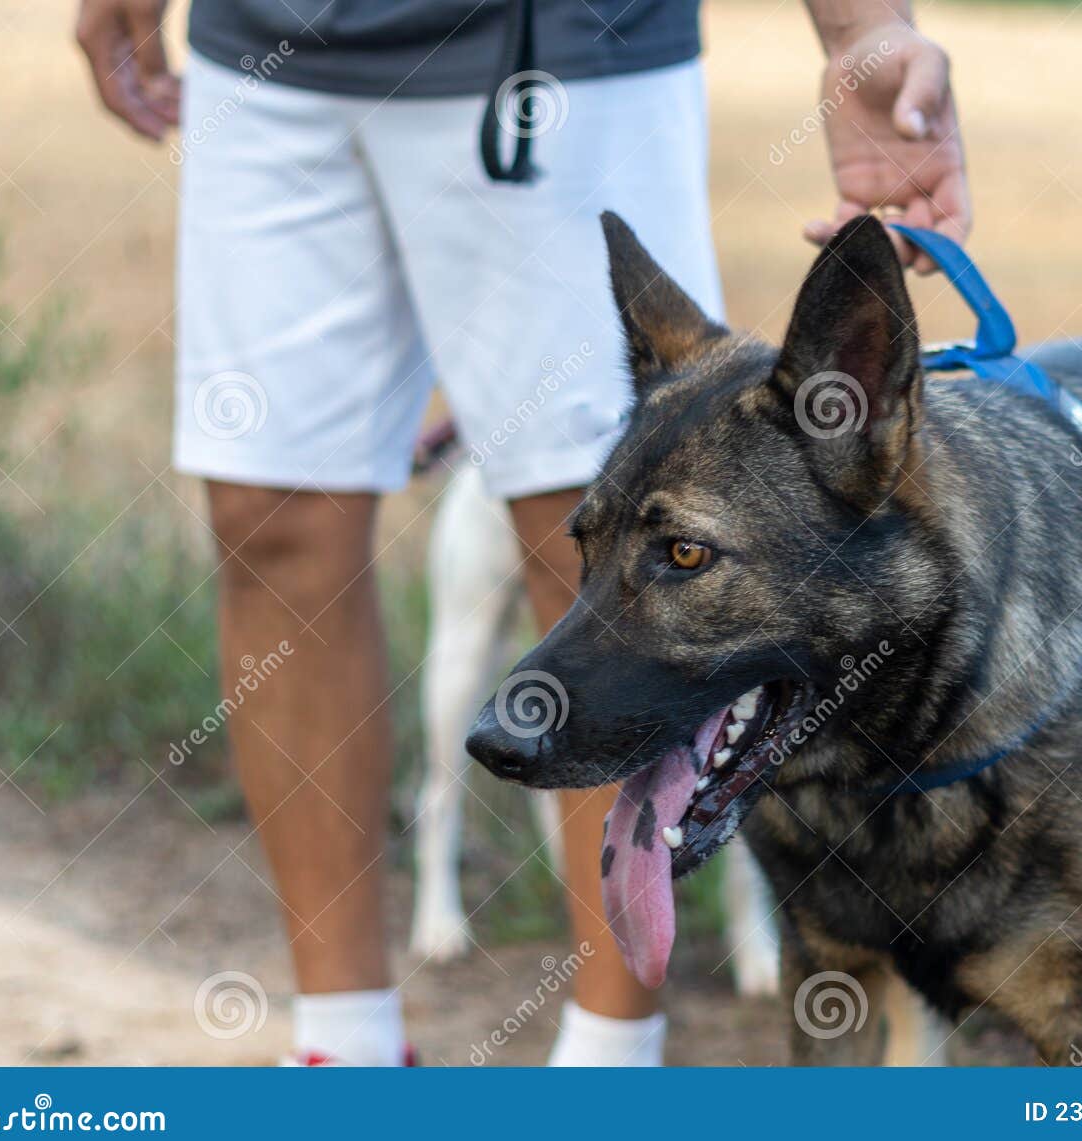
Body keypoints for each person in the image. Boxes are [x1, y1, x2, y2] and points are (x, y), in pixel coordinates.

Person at [75, 0, 970, 1066]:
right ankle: (346, 1049)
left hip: (556, 55)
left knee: (597, 529)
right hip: (266, 56)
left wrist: (856, 30)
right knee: (270, 516)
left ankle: (606, 1060)